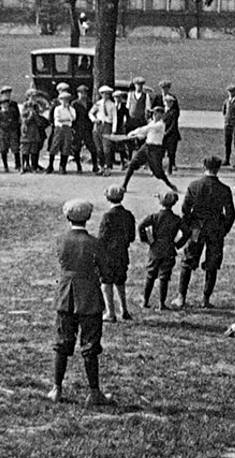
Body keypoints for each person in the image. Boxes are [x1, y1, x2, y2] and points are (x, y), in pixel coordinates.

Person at [48, 198, 114, 406]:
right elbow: (106, 272)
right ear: (88, 217)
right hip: (90, 297)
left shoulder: (61, 240)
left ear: (68, 217)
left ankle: (56, 388)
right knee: (91, 345)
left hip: (66, 294)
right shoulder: (95, 243)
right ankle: (94, 392)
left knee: (62, 342)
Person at [175, 156, 235, 308]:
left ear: (204, 166)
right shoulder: (224, 189)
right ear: (218, 168)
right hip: (215, 229)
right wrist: (224, 230)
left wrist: (190, 227)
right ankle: (205, 299)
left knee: (188, 262)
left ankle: (181, 297)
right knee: (212, 264)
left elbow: (185, 209)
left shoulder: (194, 185)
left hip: (197, 229)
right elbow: (230, 214)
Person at [138, 190, 188, 310]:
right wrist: (178, 244)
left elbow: (141, 226)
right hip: (169, 250)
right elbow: (186, 232)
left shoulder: (154, 217)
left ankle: (145, 301)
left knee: (150, 276)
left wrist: (146, 239)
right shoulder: (176, 219)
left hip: (155, 250)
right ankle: (161, 303)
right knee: (164, 277)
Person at [98, 185, 135, 323]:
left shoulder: (107, 216)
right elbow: (131, 236)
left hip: (108, 255)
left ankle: (110, 312)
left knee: (106, 282)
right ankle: (124, 309)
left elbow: (102, 237)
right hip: (122, 254)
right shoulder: (128, 215)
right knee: (120, 281)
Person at [120, 107, 178, 192]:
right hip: (146, 146)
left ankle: (170, 185)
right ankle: (124, 186)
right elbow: (145, 134)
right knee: (132, 164)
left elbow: (147, 129)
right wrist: (137, 136)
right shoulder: (152, 123)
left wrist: (133, 132)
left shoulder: (160, 125)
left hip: (155, 150)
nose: (153, 115)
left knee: (158, 173)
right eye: (153, 113)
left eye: (156, 113)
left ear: (161, 115)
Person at [90, 86, 119, 175]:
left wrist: (114, 130)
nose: (105, 96)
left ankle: (108, 168)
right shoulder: (98, 104)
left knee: (107, 148)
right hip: (98, 126)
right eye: (103, 94)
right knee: (99, 148)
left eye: (107, 94)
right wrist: (94, 119)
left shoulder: (112, 105)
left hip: (107, 125)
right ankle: (101, 167)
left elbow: (115, 117)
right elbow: (90, 113)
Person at [47, 92, 77, 174]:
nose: (65, 102)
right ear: (60, 100)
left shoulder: (71, 109)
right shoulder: (58, 109)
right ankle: (50, 165)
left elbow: (72, 118)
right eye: (63, 100)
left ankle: (62, 167)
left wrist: (68, 112)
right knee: (55, 146)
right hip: (59, 128)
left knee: (66, 147)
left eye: (67, 100)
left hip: (68, 129)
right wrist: (66, 119)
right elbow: (58, 119)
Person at [71, 84, 97, 174]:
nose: (83, 95)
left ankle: (95, 166)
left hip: (87, 128)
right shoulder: (75, 104)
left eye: (85, 93)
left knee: (92, 147)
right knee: (76, 148)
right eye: (81, 93)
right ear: (78, 94)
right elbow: (72, 116)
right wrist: (73, 128)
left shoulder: (90, 103)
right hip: (77, 128)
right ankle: (78, 166)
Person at [0, 86, 21, 172]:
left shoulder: (14, 104)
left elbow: (17, 117)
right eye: (5, 93)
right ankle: (5, 166)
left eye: (9, 93)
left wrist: (16, 127)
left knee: (15, 148)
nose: (7, 95)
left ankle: (18, 165)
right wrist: (0, 129)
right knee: (3, 148)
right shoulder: (0, 106)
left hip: (13, 130)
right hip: (4, 131)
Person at [19, 94, 46, 174]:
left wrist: (35, 114)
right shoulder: (24, 109)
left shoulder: (36, 108)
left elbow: (39, 123)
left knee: (34, 150)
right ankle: (23, 167)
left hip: (34, 133)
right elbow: (24, 121)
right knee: (24, 151)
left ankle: (33, 167)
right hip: (26, 133)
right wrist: (31, 115)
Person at [159, 82, 182, 175]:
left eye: (169, 102)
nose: (167, 104)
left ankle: (170, 168)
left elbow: (173, 124)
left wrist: (166, 132)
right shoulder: (164, 112)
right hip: (163, 133)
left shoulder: (173, 112)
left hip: (171, 134)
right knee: (161, 151)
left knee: (171, 152)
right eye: (166, 102)